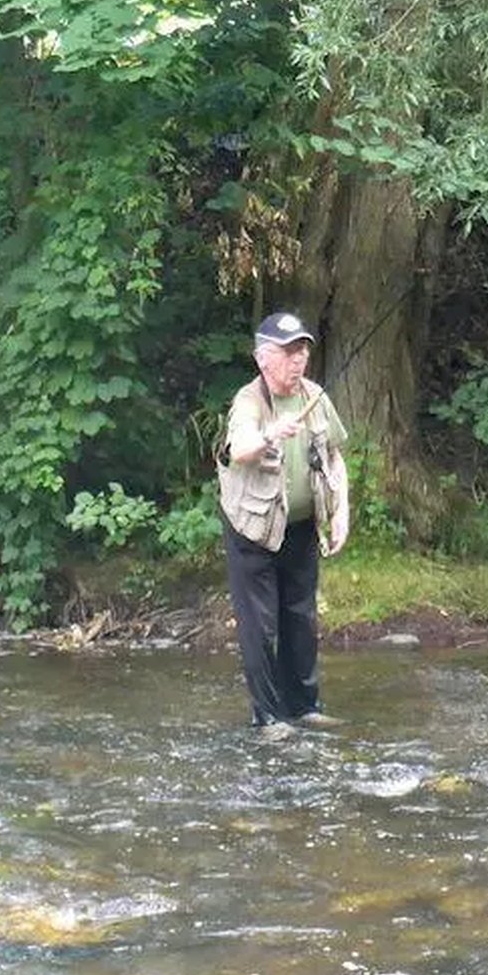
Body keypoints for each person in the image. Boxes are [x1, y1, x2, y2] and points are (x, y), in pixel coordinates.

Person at [216, 311, 351, 730]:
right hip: (252, 531)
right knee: (261, 627)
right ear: (263, 359)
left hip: (300, 526)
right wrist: (272, 433)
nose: (299, 360)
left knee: (301, 617)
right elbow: (239, 449)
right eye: (289, 352)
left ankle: (305, 707)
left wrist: (341, 510)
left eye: (303, 350)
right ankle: (269, 717)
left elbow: (334, 456)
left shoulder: (315, 397)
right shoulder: (248, 401)